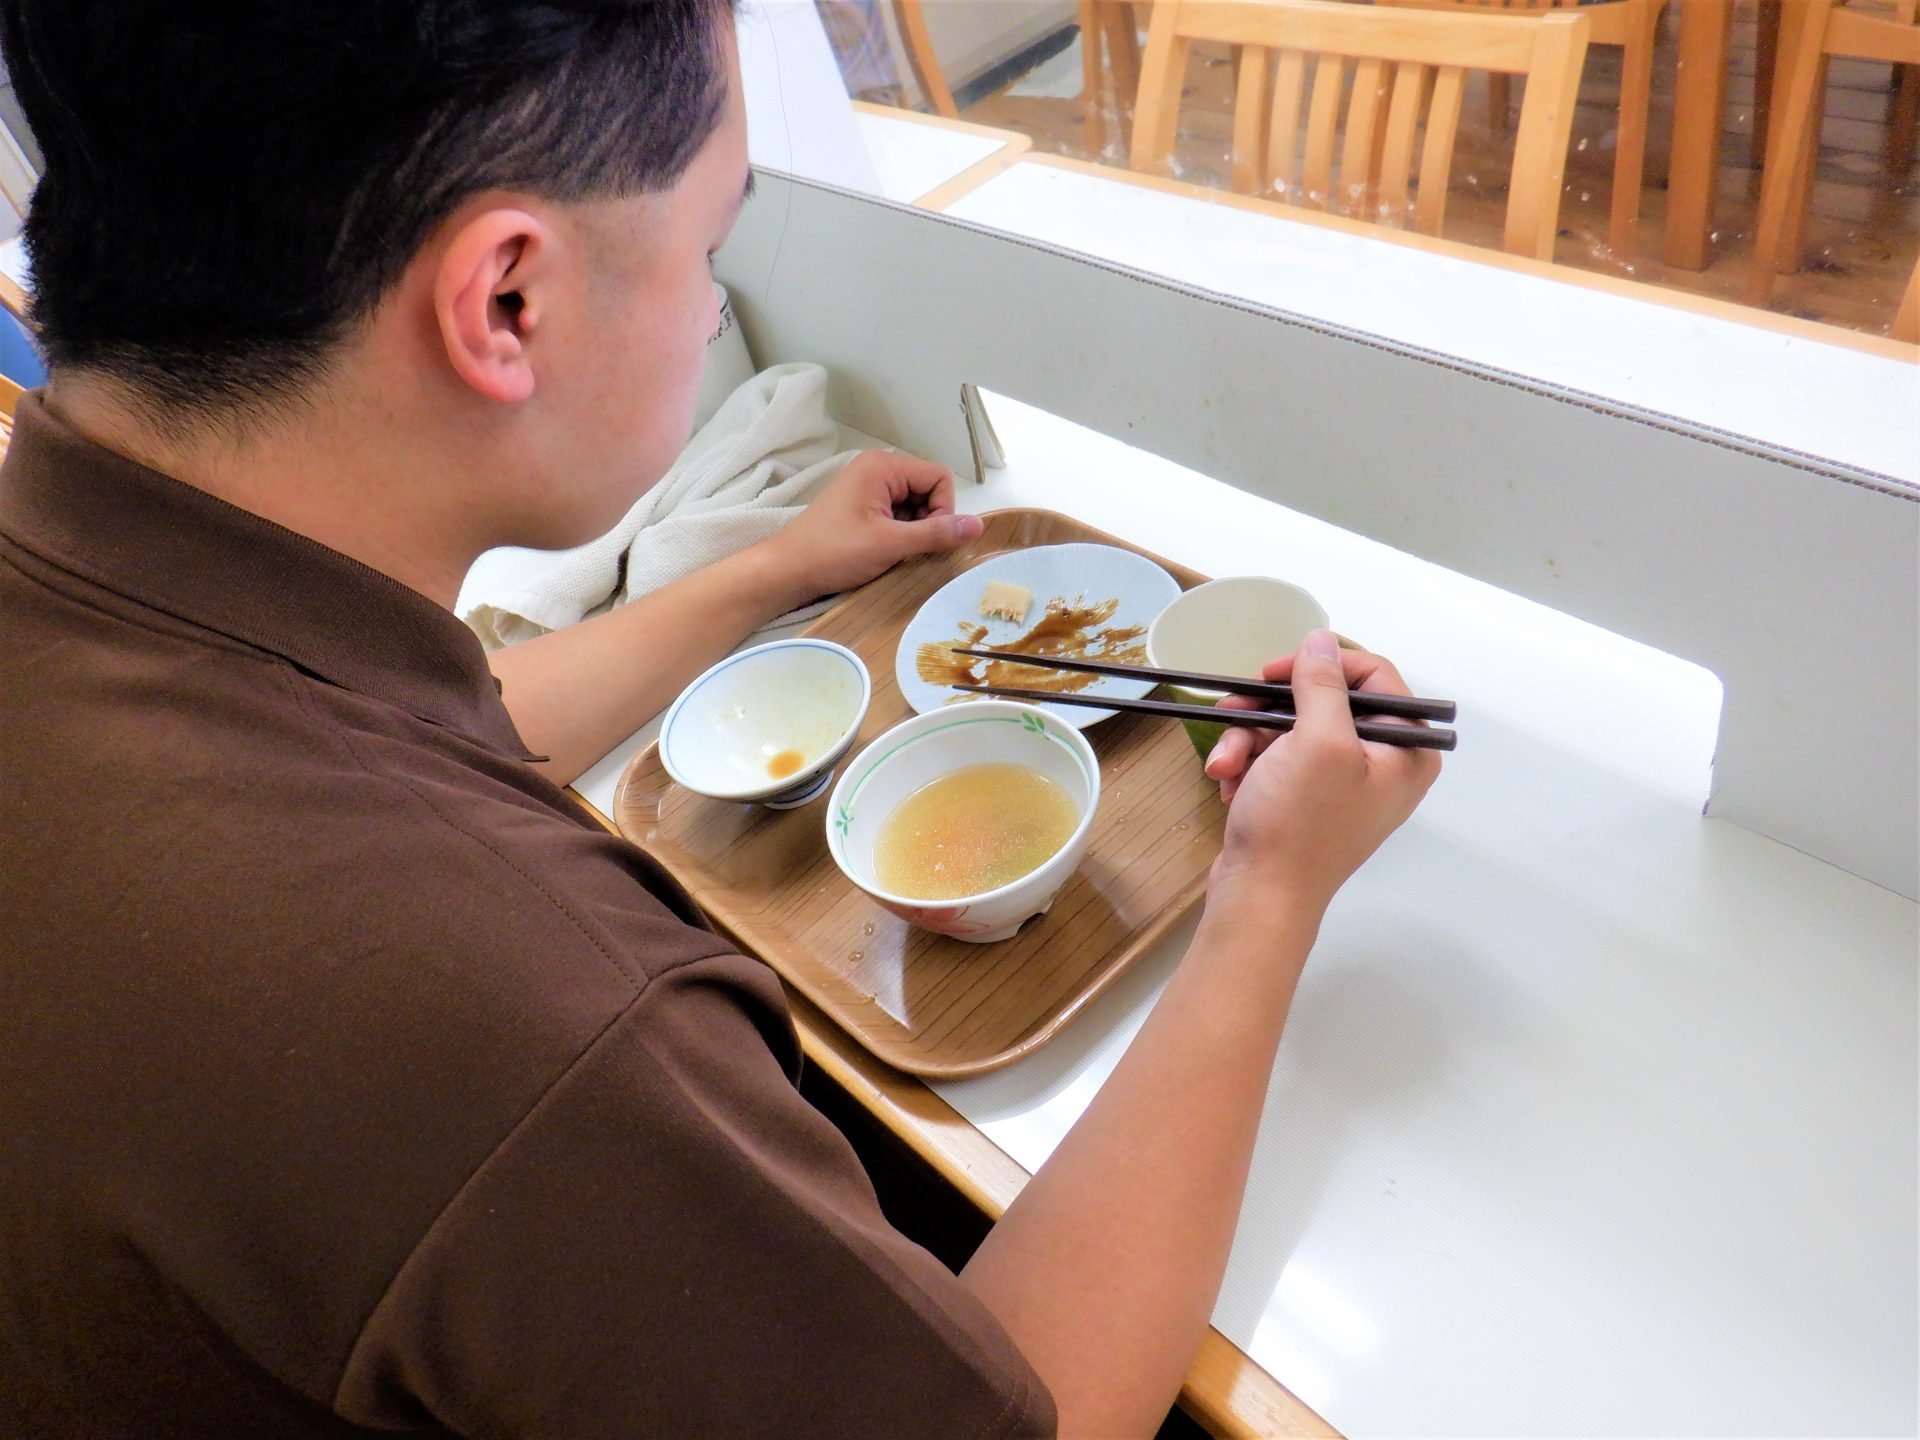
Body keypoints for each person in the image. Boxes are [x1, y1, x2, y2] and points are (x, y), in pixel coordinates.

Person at [0, 2, 1441, 1436]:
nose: (712, 309)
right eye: (709, 248)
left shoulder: (94, 581)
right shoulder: (536, 1037)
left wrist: (773, 569)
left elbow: (448, 718)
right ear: (508, 303)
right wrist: (1270, 891)